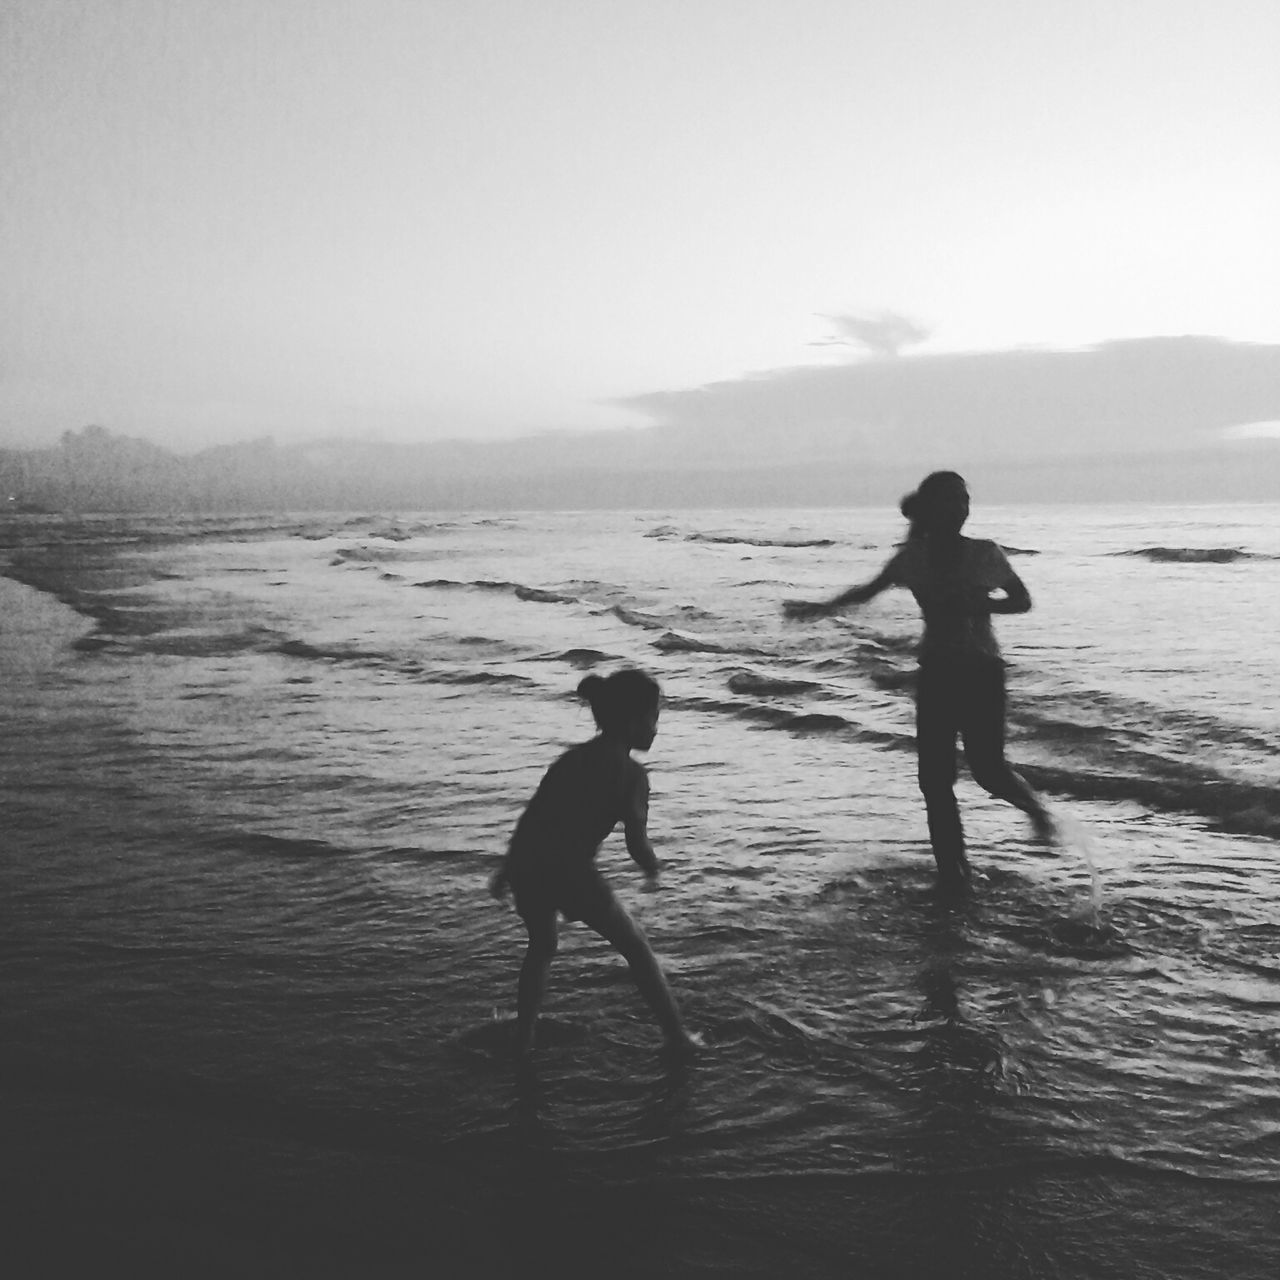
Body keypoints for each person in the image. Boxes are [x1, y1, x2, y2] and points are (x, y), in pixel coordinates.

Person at [783, 471, 1055, 891]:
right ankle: (953, 872)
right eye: (953, 501)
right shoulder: (913, 559)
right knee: (934, 779)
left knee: (988, 771)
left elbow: (1022, 600)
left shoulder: (984, 553)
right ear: (933, 510)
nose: (962, 509)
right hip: (936, 673)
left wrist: (983, 605)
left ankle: (1036, 811)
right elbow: (866, 592)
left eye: (965, 501)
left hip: (981, 670)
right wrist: (818, 608)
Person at [489, 669, 700, 1057]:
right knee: (635, 947)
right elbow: (635, 842)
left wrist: (506, 869)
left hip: (530, 865)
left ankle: (524, 1038)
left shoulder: (572, 759)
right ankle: (677, 1036)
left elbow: (533, 816)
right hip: (572, 874)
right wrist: (652, 867)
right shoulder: (632, 775)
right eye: (654, 718)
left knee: (541, 946)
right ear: (633, 722)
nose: (657, 728)